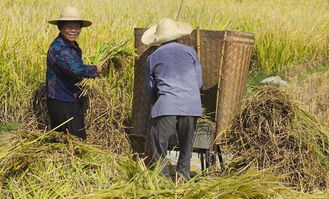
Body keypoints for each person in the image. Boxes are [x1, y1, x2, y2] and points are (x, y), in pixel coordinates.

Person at [142, 18, 203, 179]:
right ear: (178, 36)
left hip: (167, 105)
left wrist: (159, 103)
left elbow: (150, 88)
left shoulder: (153, 57)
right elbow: (199, 83)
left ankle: (163, 181)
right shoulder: (190, 52)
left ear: (158, 39)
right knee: (186, 146)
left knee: (159, 145)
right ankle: (183, 177)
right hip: (191, 105)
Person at [46, 6, 105, 139]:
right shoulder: (59, 48)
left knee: (75, 140)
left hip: (71, 99)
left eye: (77, 27)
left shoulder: (71, 46)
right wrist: (96, 69)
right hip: (62, 101)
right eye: (69, 27)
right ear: (61, 28)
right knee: (71, 141)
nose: (74, 30)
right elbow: (76, 69)